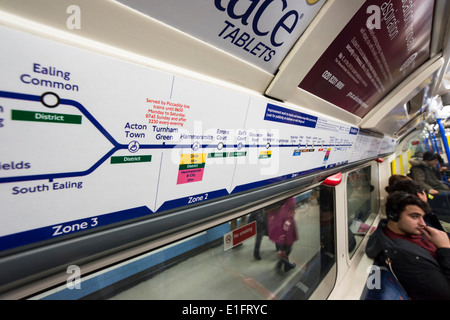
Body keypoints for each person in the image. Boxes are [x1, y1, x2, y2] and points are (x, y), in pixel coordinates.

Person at [366, 191, 450, 299]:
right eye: (414, 216)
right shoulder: (401, 255)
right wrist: (445, 248)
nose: (423, 224)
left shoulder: (411, 232)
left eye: (423, 217)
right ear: (394, 216)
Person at [267, 197, 298, 272]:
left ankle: (284, 265)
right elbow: (291, 207)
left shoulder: (274, 200)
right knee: (287, 247)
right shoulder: (288, 199)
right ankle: (284, 264)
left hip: (276, 226)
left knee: (282, 247)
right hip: (285, 226)